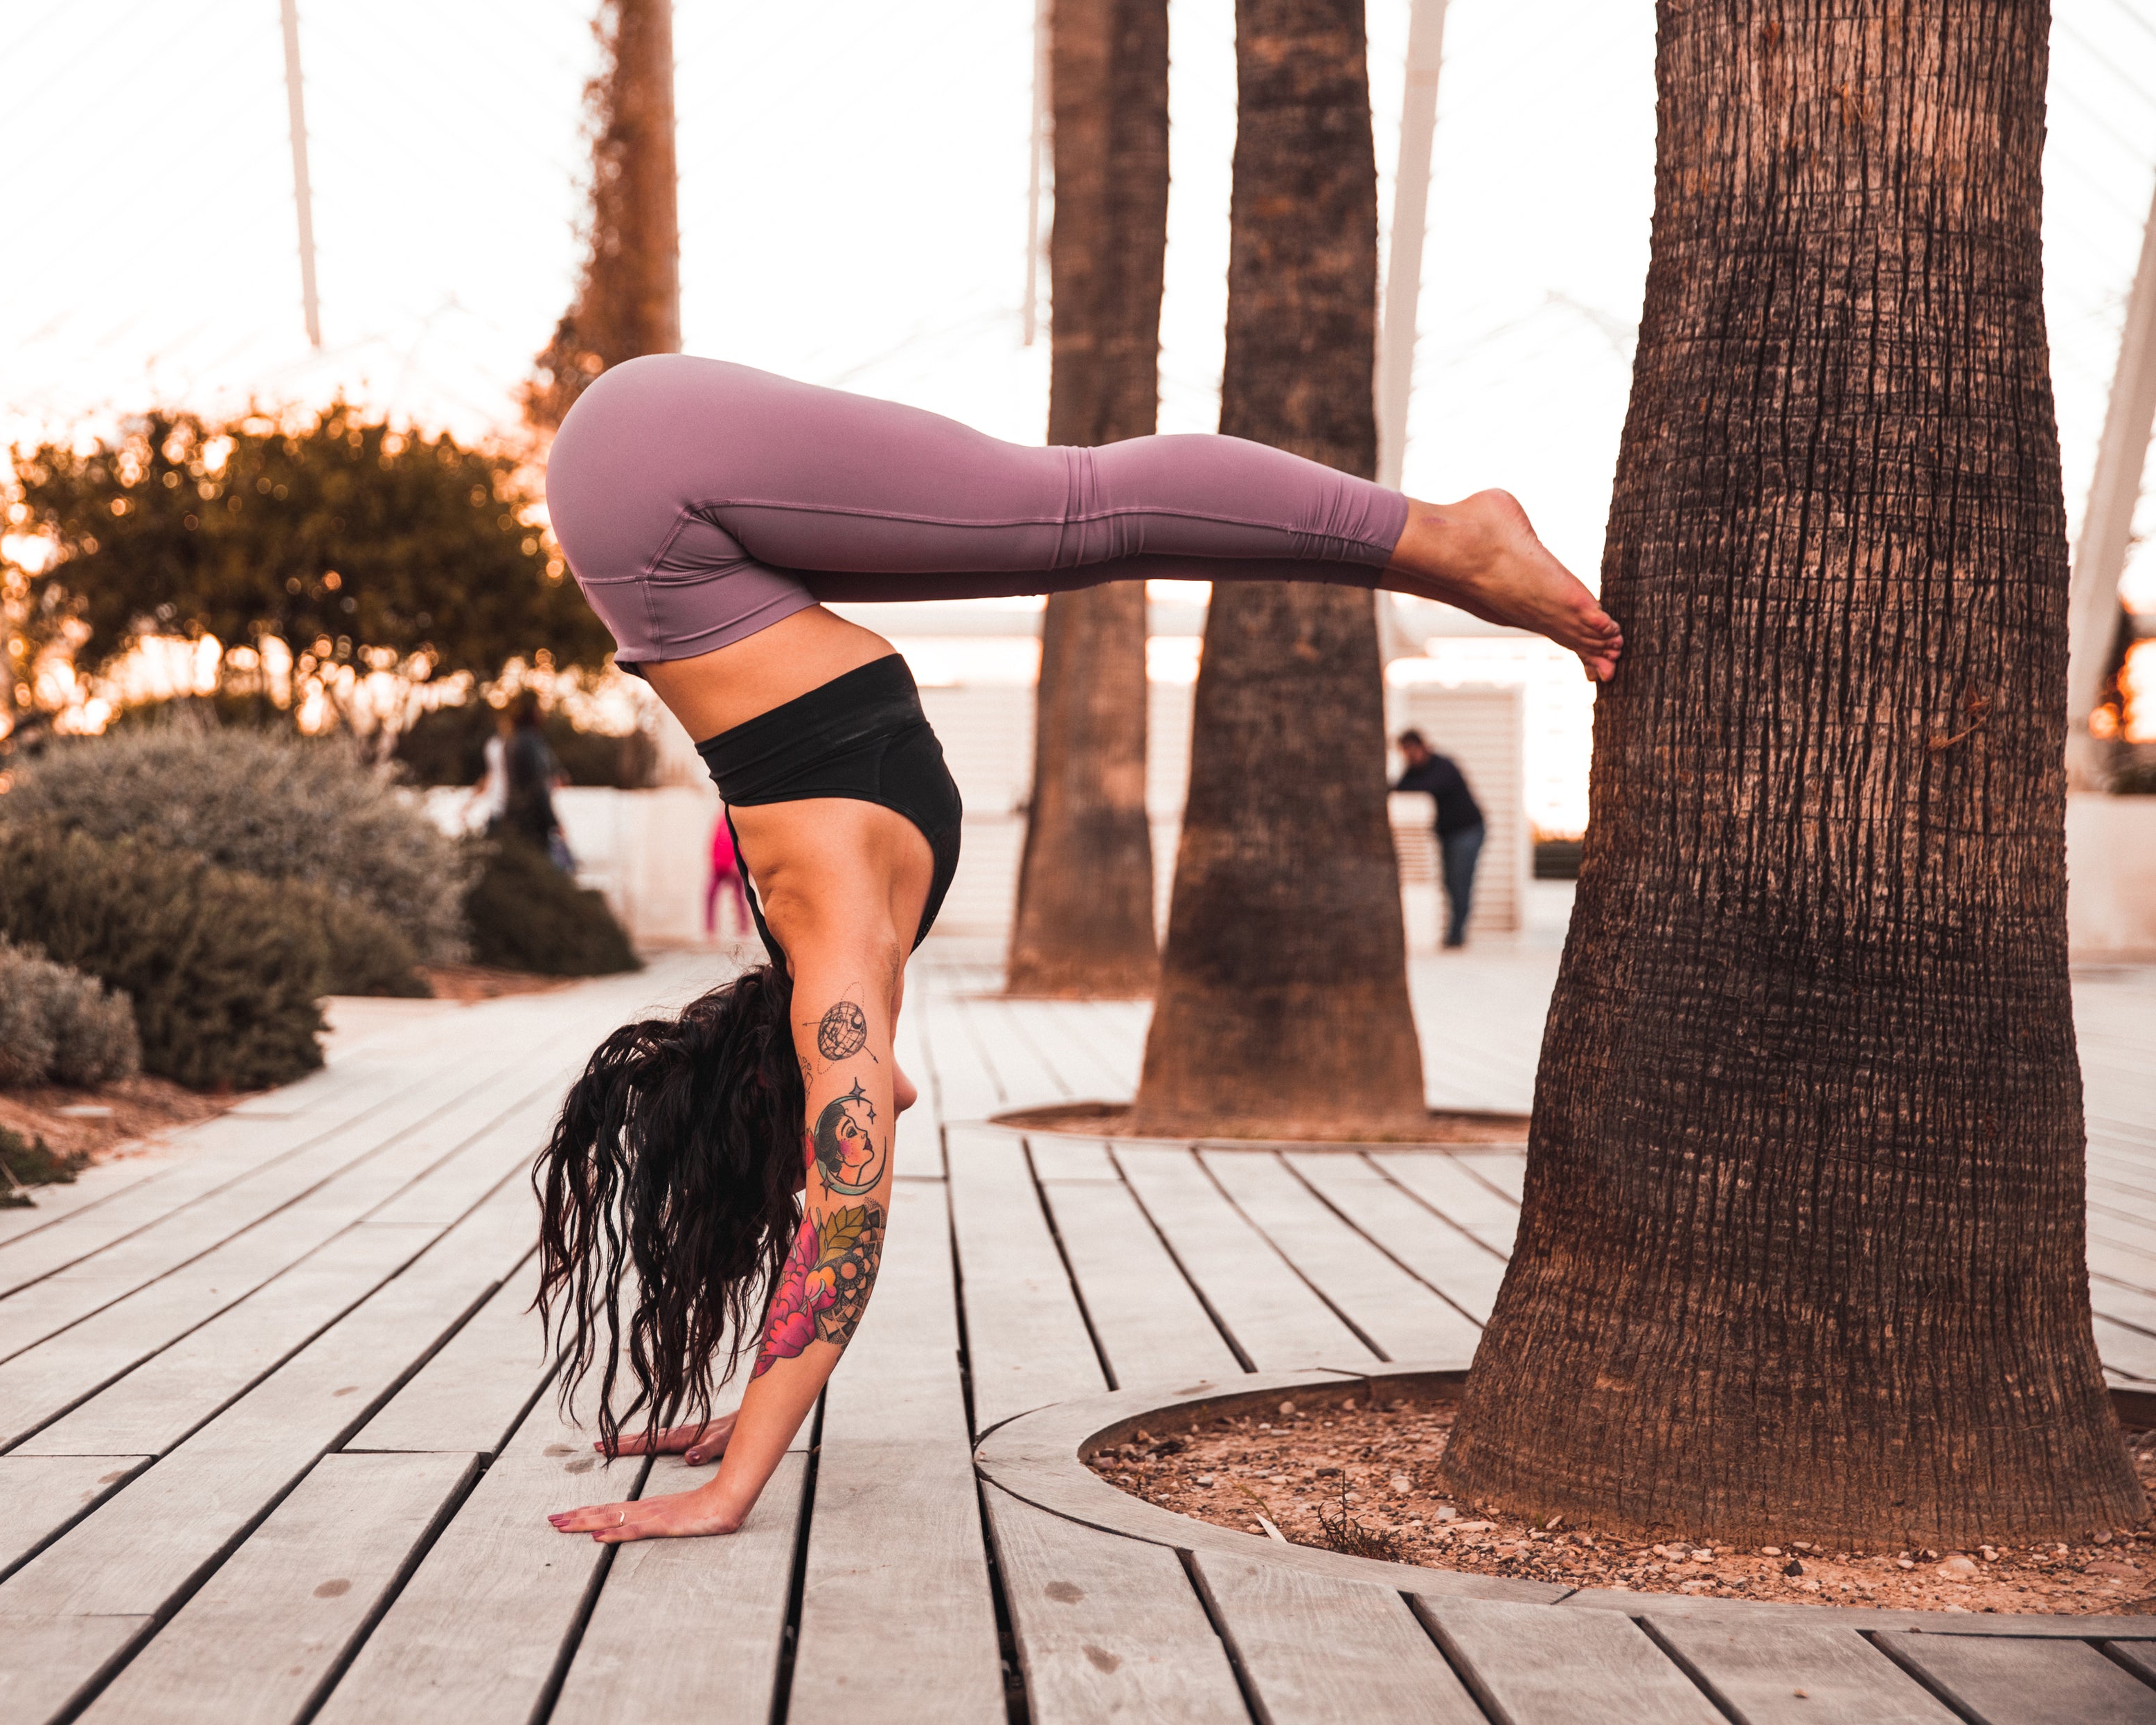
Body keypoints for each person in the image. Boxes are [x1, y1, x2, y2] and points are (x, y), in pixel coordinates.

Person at [533, 355, 1619, 1546]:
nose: (823, 1157)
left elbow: (846, 1228)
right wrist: (744, 1414)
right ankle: (1439, 547)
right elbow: (861, 1119)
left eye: (788, 1152)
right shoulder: (826, 969)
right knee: (1083, 529)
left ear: (777, 1084)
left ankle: (1455, 538)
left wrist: (733, 1485)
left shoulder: (835, 961)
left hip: (653, 484)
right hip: (667, 526)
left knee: (1082, 512)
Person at [1393, 729, 1487, 948]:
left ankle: (1457, 935)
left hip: (1467, 831)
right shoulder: (1413, 771)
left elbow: (1427, 786)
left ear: (1422, 746)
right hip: (1448, 835)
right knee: (1449, 882)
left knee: (1460, 881)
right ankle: (1454, 931)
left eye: (1411, 750)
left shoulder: (1443, 766)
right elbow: (1401, 787)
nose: (1409, 756)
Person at [498, 702, 573, 873]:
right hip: (532, 818)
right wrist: (553, 822)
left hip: (513, 814)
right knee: (539, 869)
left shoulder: (511, 741)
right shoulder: (532, 742)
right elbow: (538, 786)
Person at [706, 809, 751, 939]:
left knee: (740, 898)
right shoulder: (721, 819)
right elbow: (714, 842)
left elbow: (743, 845)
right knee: (711, 896)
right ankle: (710, 930)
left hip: (734, 866)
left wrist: (740, 864)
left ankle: (744, 930)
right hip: (719, 867)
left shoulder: (738, 820)